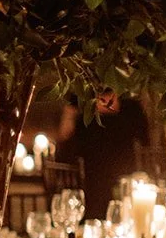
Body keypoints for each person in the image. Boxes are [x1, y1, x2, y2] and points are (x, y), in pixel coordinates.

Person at [54, 91, 150, 219]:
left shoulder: (130, 108)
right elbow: (65, 138)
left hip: (122, 180)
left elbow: (145, 140)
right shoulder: (82, 108)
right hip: (93, 183)